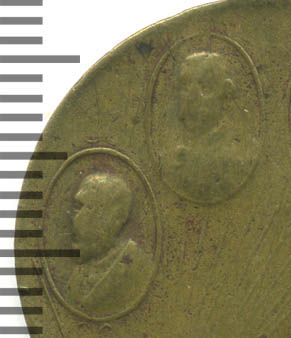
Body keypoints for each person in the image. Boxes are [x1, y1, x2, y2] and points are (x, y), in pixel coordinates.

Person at [166, 51, 255, 203]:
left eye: (205, 88)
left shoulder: (240, 159)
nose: (192, 99)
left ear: (226, 96)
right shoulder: (173, 160)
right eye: (185, 87)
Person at [65, 173, 148, 318]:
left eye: (78, 208)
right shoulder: (78, 277)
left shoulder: (139, 271)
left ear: (110, 219)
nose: (71, 219)